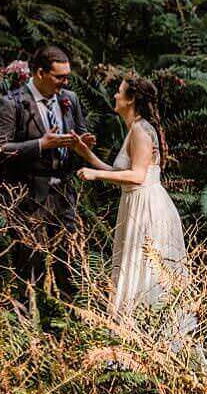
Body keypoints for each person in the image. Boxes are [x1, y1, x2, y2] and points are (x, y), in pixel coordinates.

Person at [66, 73, 194, 350]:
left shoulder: (140, 130)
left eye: (119, 91)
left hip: (147, 208)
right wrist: (86, 154)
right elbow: (119, 172)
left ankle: (149, 345)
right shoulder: (136, 128)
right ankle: (134, 344)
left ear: (132, 99)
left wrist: (95, 176)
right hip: (137, 203)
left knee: (145, 271)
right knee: (135, 269)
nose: (114, 96)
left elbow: (137, 176)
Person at [0, 45, 95, 298]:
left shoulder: (70, 99)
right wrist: (40, 145)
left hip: (65, 194)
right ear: (39, 73)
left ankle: (67, 326)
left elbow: (79, 131)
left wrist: (83, 144)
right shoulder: (11, 103)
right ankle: (28, 326)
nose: (65, 82)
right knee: (30, 265)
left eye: (67, 77)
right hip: (29, 196)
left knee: (68, 263)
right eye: (60, 77)